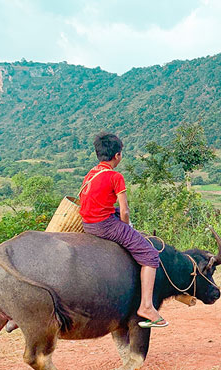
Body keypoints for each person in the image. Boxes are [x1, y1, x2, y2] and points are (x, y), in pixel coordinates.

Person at [79, 132, 167, 329]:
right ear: (117, 155)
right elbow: (125, 210)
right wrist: (127, 228)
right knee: (151, 255)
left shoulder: (92, 173)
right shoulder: (115, 176)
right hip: (104, 225)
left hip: (88, 221)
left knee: (117, 213)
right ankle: (146, 306)